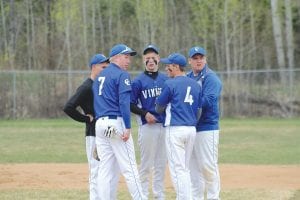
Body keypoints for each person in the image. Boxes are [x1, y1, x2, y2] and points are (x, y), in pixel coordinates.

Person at [92, 43, 146, 200]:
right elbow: (124, 102)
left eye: (129, 57)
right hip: (115, 123)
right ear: (115, 58)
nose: (128, 60)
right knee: (129, 167)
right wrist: (128, 127)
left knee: (105, 169)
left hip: (100, 124)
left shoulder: (99, 77)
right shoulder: (122, 75)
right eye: (126, 56)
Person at [155, 53, 201, 200]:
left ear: (176, 67)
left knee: (177, 169)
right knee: (185, 168)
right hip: (191, 129)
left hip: (175, 129)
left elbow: (158, 108)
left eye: (169, 65)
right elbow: (198, 110)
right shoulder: (195, 84)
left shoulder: (170, 83)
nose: (166, 68)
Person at [63, 53, 109, 200]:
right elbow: (68, 107)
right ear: (94, 67)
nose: (106, 70)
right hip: (93, 134)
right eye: (103, 67)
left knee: (105, 170)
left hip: (104, 133)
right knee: (95, 170)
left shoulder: (101, 85)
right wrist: (85, 119)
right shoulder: (86, 87)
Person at [130, 44, 168, 199]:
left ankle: (159, 195)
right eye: (147, 58)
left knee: (161, 164)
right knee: (146, 164)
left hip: (164, 126)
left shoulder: (166, 79)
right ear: (143, 60)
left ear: (158, 59)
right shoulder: (138, 81)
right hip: (147, 127)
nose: (150, 60)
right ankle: (143, 195)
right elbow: (130, 103)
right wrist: (144, 113)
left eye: (153, 57)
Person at [187, 46, 222, 200]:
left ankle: (214, 197)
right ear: (190, 61)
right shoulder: (188, 77)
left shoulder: (210, 78)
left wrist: (186, 105)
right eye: (195, 58)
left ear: (205, 59)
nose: (198, 60)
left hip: (207, 127)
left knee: (208, 166)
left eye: (201, 57)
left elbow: (208, 100)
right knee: (194, 169)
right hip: (191, 128)